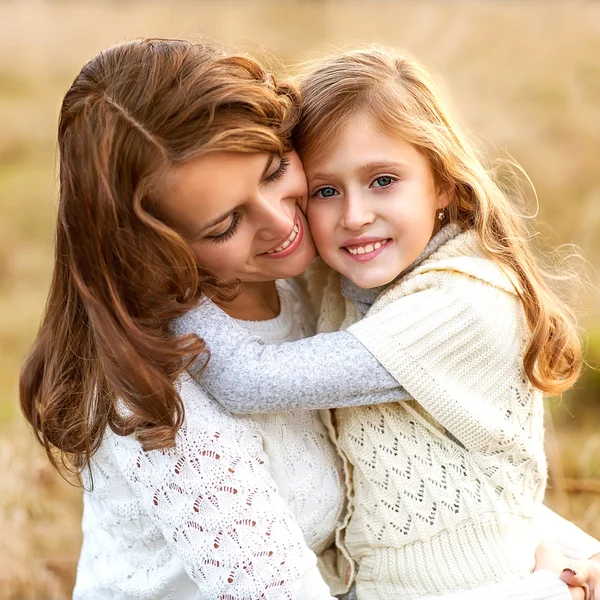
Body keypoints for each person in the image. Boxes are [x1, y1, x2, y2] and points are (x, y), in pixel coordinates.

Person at [18, 38, 598, 599]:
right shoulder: (162, 396)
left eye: (274, 172)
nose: (281, 223)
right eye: (225, 225)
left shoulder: (319, 284)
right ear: (154, 248)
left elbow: (448, 479)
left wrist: (578, 558)